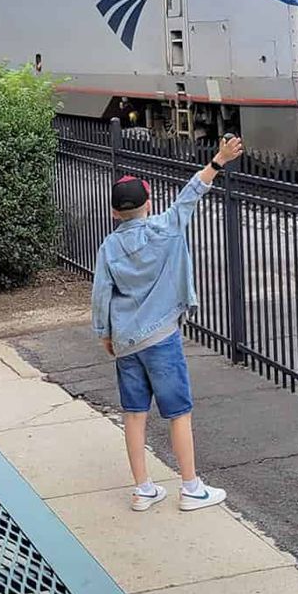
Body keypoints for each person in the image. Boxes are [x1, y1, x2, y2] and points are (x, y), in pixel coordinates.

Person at [91, 134, 244, 512]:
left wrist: (105, 334)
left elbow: (101, 296)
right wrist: (219, 159)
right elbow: (193, 191)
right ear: (149, 204)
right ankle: (190, 487)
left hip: (126, 342)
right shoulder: (168, 227)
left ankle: (143, 488)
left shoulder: (108, 247)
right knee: (178, 412)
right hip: (161, 337)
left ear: (114, 214)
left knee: (134, 412)